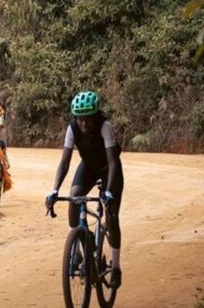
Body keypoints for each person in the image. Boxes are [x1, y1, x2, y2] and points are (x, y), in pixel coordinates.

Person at [45, 91, 124, 289]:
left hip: (108, 169)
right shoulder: (72, 128)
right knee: (74, 198)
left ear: (95, 116)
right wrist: (54, 190)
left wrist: (109, 192)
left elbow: (113, 161)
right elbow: (64, 163)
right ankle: (79, 243)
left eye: (88, 119)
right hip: (88, 166)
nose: (84, 124)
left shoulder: (105, 127)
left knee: (111, 214)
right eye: (80, 119)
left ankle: (115, 267)